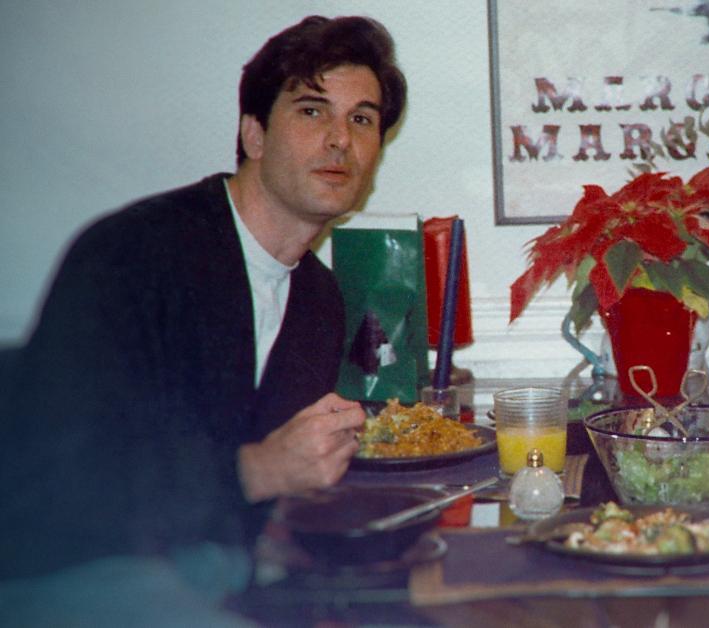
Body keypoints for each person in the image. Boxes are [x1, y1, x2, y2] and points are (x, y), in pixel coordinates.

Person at [0, 15, 406, 624]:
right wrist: (259, 468)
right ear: (254, 134)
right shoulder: (133, 254)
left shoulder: (320, 301)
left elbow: (269, 500)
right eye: (311, 111)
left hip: (225, 565)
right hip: (72, 569)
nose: (340, 140)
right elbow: (58, 483)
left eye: (362, 119)